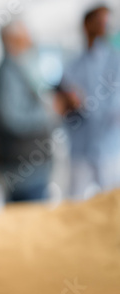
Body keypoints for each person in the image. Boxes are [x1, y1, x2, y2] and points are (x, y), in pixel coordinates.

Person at [58, 5, 120, 200]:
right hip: (80, 149)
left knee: (112, 209)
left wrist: (88, 105)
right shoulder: (72, 65)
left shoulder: (116, 61)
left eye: (107, 21)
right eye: (100, 21)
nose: (105, 26)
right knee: (75, 207)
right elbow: (62, 106)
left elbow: (114, 108)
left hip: (109, 149)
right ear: (86, 25)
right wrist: (69, 103)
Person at [0, 21, 57, 202]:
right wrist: (48, 112)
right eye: (26, 37)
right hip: (24, 170)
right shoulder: (8, 74)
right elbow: (11, 118)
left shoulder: (17, 70)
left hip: (28, 167)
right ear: (14, 40)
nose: (31, 42)